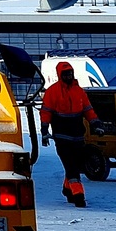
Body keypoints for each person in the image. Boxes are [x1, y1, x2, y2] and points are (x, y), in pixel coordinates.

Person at [41, 61, 97, 208]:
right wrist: (44, 131)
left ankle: (67, 190)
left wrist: (96, 123)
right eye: (65, 74)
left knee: (76, 165)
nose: (68, 76)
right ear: (60, 75)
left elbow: (88, 109)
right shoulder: (52, 92)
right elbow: (46, 112)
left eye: (70, 73)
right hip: (62, 136)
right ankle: (79, 196)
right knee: (71, 167)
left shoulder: (79, 91)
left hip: (78, 135)